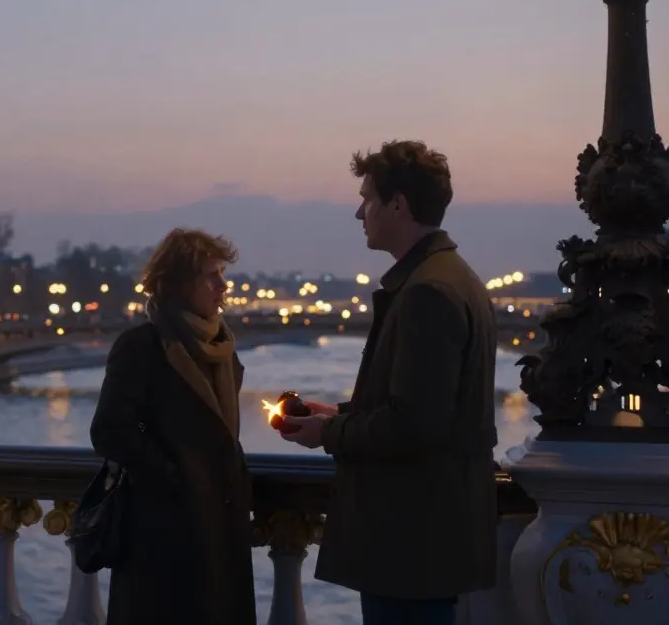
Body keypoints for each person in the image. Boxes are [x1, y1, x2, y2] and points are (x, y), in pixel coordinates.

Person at [281, 140, 499, 625]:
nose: (360, 213)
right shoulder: (451, 278)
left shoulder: (427, 293)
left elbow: (414, 426)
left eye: (368, 199)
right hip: (432, 532)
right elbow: (427, 405)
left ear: (398, 204)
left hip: (409, 537)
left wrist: (327, 434)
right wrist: (339, 414)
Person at [89, 228, 256, 625]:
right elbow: (110, 430)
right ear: (181, 284)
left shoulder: (222, 350)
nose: (223, 284)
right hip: (163, 530)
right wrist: (173, 473)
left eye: (222, 273)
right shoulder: (141, 346)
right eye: (211, 275)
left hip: (221, 523)